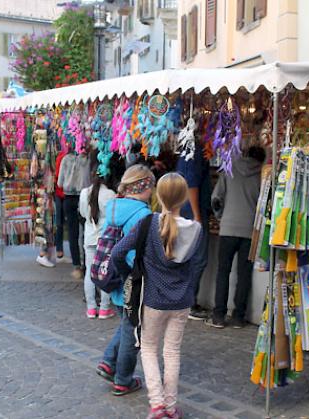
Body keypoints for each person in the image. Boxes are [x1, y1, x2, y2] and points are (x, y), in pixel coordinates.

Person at [111, 173, 202, 419]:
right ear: (184, 198)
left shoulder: (148, 223)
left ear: (158, 196)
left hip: (152, 299)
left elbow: (117, 253)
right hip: (181, 301)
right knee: (172, 353)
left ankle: (157, 405)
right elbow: (194, 267)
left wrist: (129, 275)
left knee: (149, 349)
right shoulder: (196, 229)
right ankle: (171, 408)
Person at [96, 164, 154, 397]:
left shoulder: (113, 208)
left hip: (113, 279)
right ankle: (123, 380)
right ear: (144, 186)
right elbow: (135, 254)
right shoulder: (143, 215)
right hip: (133, 281)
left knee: (126, 324)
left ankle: (109, 362)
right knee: (133, 332)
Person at [206, 145, 266, 329]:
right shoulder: (262, 177)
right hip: (250, 231)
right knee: (244, 274)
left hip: (228, 228)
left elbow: (216, 199)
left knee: (223, 272)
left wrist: (221, 217)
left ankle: (218, 315)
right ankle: (239, 317)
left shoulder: (229, 170)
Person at [176, 140, 212, 321]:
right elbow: (192, 185)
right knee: (197, 258)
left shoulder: (186, 152)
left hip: (185, 211)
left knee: (189, 257)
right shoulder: (195, 153)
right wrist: (197, 215)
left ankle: (184, 299)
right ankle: (188, 301)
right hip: (192, 213)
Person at [79, 153, 116, 319]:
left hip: (89, 237)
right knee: (105, 271)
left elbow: (82, 213)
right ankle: (104, 308)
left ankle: (91, 308)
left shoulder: (84, 193)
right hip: (105, 239)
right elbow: (113, 217)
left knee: (89, 272)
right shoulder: (109, 194)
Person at [57, 149, 90, 279]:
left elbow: (60, 182)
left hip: (69, 198)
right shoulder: (86, 160)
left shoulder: (66, 159)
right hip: (83, 197)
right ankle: (86, 264)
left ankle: (76, 265)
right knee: (86, 230)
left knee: (73, 233)